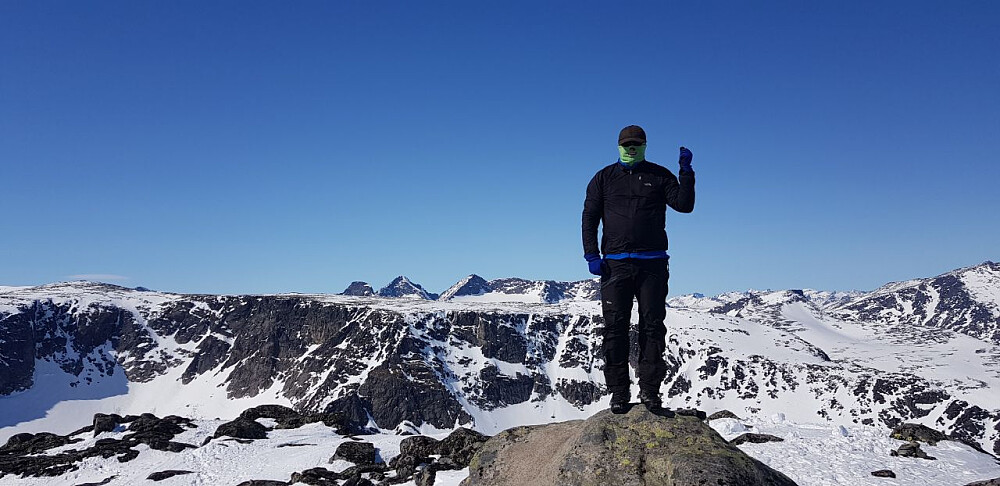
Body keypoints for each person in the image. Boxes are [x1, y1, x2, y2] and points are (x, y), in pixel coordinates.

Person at [581, 124, 696, 414]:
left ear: (644, 146)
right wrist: (591, 254)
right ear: (619, 146)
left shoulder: (659, 175)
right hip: (615, 265)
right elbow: (589, 217)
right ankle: (619, 393)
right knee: (614, 329)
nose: (631, 149)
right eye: (626, 145)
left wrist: (686, 172)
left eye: (636, 144)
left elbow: (684, 205)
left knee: (652, 327)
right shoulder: (603, 178)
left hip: (652, 264)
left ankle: (650, 391)